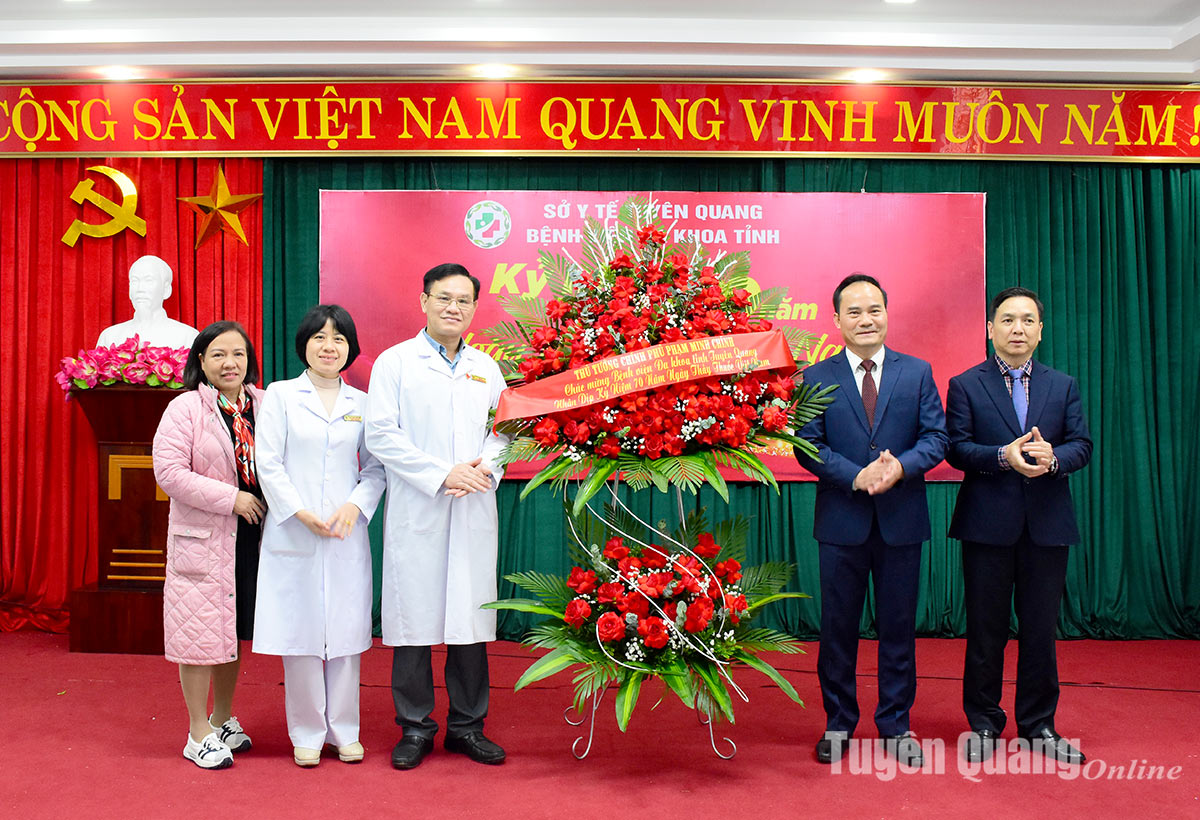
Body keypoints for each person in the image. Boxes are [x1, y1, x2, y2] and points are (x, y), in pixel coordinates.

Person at [794, 273, 948, 767]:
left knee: (899, 627)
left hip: (901, 520)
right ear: (837, 319)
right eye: (855, 312)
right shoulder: (816, 377)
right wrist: (856, 477)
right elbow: (808, 445)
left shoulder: (917, 372)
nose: (867, 319)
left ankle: (896, 724)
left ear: (887, 313)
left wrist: (900, 467)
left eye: (875, 309)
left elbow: (936, 438)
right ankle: (838, 723)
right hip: (843, 521)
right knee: (838, 628)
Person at [365, 263, 509, 770]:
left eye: (464, 301)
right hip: (419, 506)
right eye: (444, 298)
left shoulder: (487, 367)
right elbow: (381, 435)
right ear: (423, 300)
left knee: (469, 617)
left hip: (472, 503)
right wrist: (441, 473)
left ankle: (468, 727)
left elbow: (505, 431)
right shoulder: (395, 363)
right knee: (413, 620)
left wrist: (486, 467)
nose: (454, 308)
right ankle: (415, 728)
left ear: (474, 308)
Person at [945, 286, 1092, 765]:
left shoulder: (1063, 384)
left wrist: (1054, 459)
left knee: (1040, 630)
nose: (1018, 330)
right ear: (990, 328)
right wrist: (1001, 457)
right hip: (987, 525)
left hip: (1047, 526)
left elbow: (1082, 445)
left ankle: (1038, 724)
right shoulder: (966, 384)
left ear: (1041, 331)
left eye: (1028, 321)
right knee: (986, 630)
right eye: (1007, 320)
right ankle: (984, 723)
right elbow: (956, 448)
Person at [252, 305, 386, 767]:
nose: (329, 347)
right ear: (304, 345)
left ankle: (345, 731)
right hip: (296, 530)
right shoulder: (281, 395)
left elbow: (375, 467)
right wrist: (300, 511)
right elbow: (267, 462)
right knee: (303, 634)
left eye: (339, 339)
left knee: (347, 634)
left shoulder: (364, 404)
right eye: (319, 338)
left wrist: (355, 505)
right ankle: (307, 732)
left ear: (350, 348)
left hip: (346, 532)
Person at [153, 321, 267, 770]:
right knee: (198, 635)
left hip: (253, 539)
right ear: (200, 361)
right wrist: (231, 499)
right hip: (204, 540)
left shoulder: (263, 403)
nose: (229, 363)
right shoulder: (185, 409)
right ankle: (196, 731)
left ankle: (222, 718)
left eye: (237, 354)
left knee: (229, 634)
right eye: (217, 354)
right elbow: (170, 473)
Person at [97, 255, 199, 349]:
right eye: (134, 281)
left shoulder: (188, 337)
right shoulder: (110, 337)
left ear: (166, 289)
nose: (140, 289)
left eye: (149, 280)